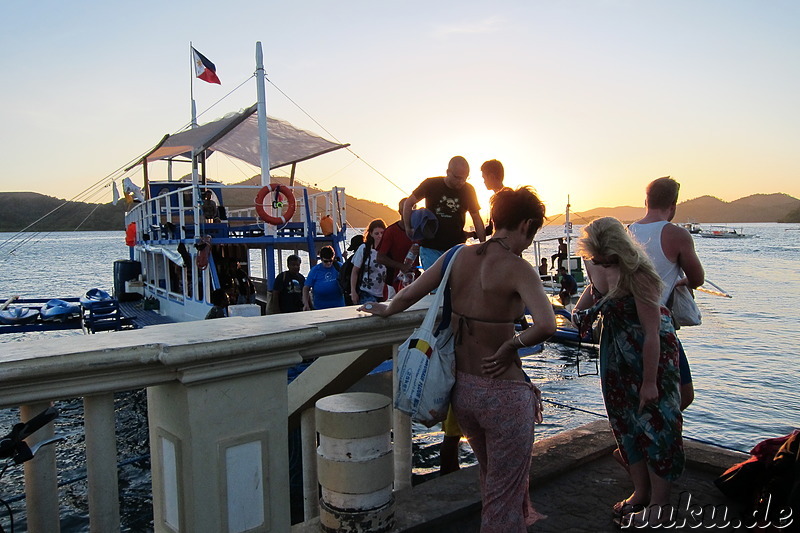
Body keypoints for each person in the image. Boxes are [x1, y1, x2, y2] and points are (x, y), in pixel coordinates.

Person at [360, 187, 556, 532]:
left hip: (463, 393)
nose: (529, 243)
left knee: (491, 479)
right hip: (504, 395)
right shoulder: (518, 268)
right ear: (525, 225)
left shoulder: (456, 256)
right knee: (504, 496)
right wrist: (512, 345)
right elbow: (547, 325)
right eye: (533, 233)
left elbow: (409, 292)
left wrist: (387, 308)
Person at [572, 217, 684, 527]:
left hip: (650, 354)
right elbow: (590, 298)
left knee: (657, 423)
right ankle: (640, 492)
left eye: (609, 260)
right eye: (598, 259)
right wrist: (581, 313)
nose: (603, 264)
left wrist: (649, 382)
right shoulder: (593, 262)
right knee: (622, 420)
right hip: (615, 349)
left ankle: (661, 505)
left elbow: (652, 333)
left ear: (621, 251)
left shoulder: (640, 274)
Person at [628, 176, 704, 410]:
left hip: (628, 324)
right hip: (658, 326)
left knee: (633, 389)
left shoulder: (627, 232)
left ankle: (639, 437)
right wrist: (680, 282)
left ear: (646, 201)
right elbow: (697, 279)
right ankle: (657, 434)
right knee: (684, 393)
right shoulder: (677, 235)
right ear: (673, 205)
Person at [402, 156, 486, 270]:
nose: (461, 182)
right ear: (448, 172)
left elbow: (476, 218)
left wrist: (483, 245)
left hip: (456, 248)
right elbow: (408, 203)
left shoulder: (468, 190)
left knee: (456, 286)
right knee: (436, 287)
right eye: (458, 178)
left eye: (465, 178)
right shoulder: (431, 184)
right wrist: (408, 227)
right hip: (431, 247)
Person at [377, 198, 418, 293]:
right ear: (400, 212)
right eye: (407, 209)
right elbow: (379, 258)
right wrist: (401, 266)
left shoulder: (420, 231)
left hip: (415, 280)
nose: (410, 212)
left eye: (413, 209)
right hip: (394, 282)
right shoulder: (391, 231)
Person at [350, 219, 388, 305]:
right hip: (366, 292)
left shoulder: (389, 250)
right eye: (377, 233)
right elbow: (355, 271)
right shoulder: (364, 249)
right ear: (371, 234)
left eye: (382, 233)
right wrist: (353, 292)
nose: (380, 236)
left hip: (384, 293)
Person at [302, 246, 345, 310]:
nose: (329, 263)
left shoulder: (339, 266)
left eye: (331, 261)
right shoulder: (315, 270)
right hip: (320, 307)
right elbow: (306, 288)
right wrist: (306, 303)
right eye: (326, 261)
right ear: (321, 259)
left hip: (339, 306)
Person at [481, 159, 512, 236]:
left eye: (484, 178)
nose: (484, 182)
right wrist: (470, 234)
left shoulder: (509, 197)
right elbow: (490, 229)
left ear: (492, 177)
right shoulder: (495, 199)